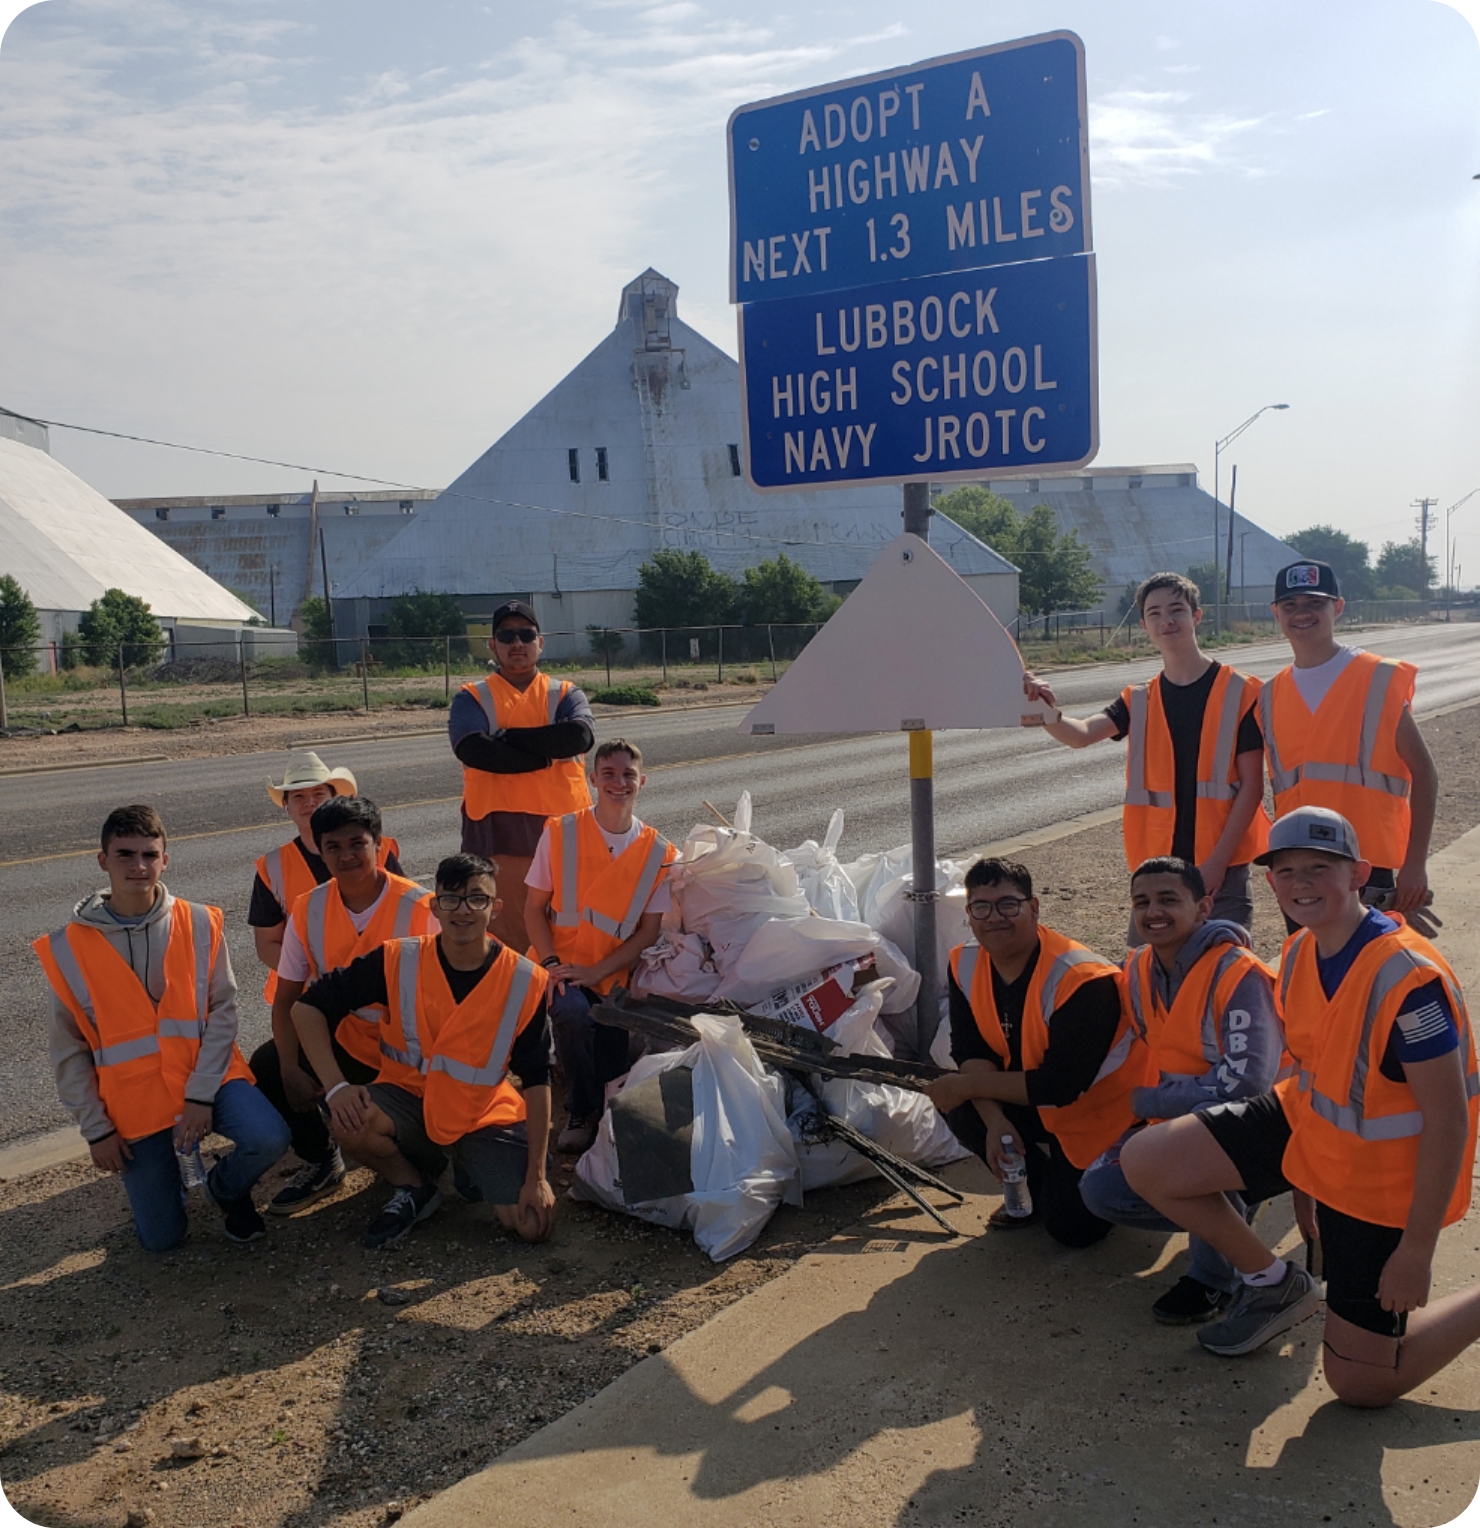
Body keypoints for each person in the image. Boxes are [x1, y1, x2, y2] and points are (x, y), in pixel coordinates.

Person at [1121, 807, 1480, 1405]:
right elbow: (1316, 1077)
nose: (1300, 883)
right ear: (1269, 883)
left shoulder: (1407, 979)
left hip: (1379, 1187)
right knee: (1148, 1160)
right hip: (1312, 1141)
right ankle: (1273, 1283)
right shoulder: (1300, 955)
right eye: (1285, 870)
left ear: (1358, 872)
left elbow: (1450, 1119)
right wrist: (1302, 1187)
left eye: (1320, 867)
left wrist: (1416, 1252)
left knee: (1361, 1385)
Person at [36, 805, 291, 1250]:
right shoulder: (67, 948)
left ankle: (225, 1190)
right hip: (136, 1104)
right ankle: (168, 1170)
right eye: (125, 855)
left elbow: (223, 1012)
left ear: (165, 860)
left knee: (268, 1137)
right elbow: (69, 1051)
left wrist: (199, 1094)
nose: (139, 866)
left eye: (150, 855)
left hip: (209, 1079)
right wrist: (96, 1129)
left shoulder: (198, 922)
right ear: (103, 861)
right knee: (162, 1240)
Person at [290, 854, 556, 1250]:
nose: (462, 910)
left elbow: (537, 1080)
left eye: (476, 899)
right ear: (434, 905)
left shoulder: (523, 980)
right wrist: (335, 1087)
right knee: (350, 1122)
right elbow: (305, 1008)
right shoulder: (399, 958)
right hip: (408, 1100)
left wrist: (536, 1176)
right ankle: (413, 1186)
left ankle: (466, 1166)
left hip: (479, 1112)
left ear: (495, 908)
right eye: (451, 899)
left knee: (531, 1225)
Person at [1079, 856, 1284, 1324]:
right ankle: (1226, 1218)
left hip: (1266, 1125)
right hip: (1187, 1124)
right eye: (1142, 901)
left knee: (1195, 1164)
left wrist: (1146, 1102)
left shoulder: (1238, 974)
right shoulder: (1139, 970)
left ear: (1204, 906)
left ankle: (1217, 1278)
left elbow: (1247, 1085)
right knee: (1100, 1190)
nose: (1154, 911)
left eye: (1169, 899)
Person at [924, 857, 1148, 1247]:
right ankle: (1040, 1186)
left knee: (1073, 1232)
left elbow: (1060, 1086)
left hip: (1100, 1113)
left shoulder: (1082, 978)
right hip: (1039, 1098)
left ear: (1034, 907)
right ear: (969, 913)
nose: (994, 917)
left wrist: (967, 1086)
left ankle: (1127, 1172)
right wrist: (994, 1121)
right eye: (982, 907)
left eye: (1008, 904)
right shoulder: (965, 960)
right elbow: (970, 1048)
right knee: (963, 1108)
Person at [1024, 572, 1267, 932]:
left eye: (1176, 609)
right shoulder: (1138, 698)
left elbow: (1252, 788)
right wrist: (1043, 709)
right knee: (1148, 982)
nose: (1166, 620)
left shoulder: (1242, 692)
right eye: (1154, 613)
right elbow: (1081, 735)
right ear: (1143, 625)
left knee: (1220, 978)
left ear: (1196, 616)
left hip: (1221, 872)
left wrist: (1216, 864)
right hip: (1157, 873)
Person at [248, 795, 435, 1215]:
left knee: (433, 1156)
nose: (346, 855)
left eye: (357, 843)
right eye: (333, 846)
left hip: (414, 1059)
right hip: (349, 1045)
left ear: (379, 845)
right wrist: (291, 1068)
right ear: (319, 849)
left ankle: (415, 1161)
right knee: (268, 1064)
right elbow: (287, 998)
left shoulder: (422, 908)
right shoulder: (308, 907)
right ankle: (322, 1159)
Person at [1252, 559, 1438, 917]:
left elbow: (1425, 773)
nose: (1301, 614)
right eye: (1290, 605)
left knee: (1369, 970)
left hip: (1364, 866)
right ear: (1276, 612)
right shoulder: (1270, 694)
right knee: (1311, 969)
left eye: (1314, 604)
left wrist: (1415, 865)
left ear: (1338, 607)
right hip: (1298, 862)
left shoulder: (1376, 677)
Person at [524, 738, 678, 1153]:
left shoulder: (659, 852)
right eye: (608, 773)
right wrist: (553, 964)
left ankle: (605, 1104)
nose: (618, 782)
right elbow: (533, 909)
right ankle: (579, 1108)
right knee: (572, 1014)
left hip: (613, 974)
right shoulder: (560, 833)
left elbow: (648, 932)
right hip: (561, 967)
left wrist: (599, 972)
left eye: (628, 774)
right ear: (592, 779)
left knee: (613, 1059)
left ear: (642, 781)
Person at [448, 600, 594, 949]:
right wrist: (545, 755)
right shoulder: (472, 698)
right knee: (504, 932)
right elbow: (475, 750)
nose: (517, 643)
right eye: (507, 635)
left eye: (526, 634)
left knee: (567, 929)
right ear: (493, 644)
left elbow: (578, 737)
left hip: (565, 831)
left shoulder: (565, 694)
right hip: (497, 834)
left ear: (540, 642)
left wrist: (509, 738)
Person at [249, 750, 404, 1006]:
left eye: (318, 794)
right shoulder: (272, 867)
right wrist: (315, 979)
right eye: (299, 796)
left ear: (334, 798)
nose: (309, 802)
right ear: (286, 806)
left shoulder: (380, 851)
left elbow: (404, 917)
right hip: (304, 997)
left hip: (380, 990)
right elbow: (267, 944)